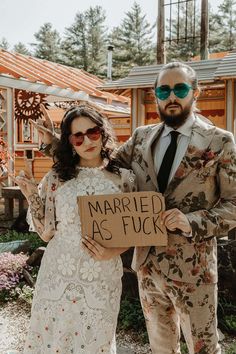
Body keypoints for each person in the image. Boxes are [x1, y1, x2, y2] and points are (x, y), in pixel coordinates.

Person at [33, 62, 236, 354]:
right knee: (161, 348)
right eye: (163, 90)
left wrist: (191, 220)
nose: (171, 96)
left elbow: (233, 205)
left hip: (194, 270)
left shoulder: (219, 141)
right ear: (155, 95)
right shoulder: (141, 137)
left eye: (180, 88)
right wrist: (57, 145)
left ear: (195, 92)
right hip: (148, 267)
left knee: (203, 349)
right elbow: (99, 161)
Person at [14, 104, 136, 354]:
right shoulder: (57, 178)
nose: (87, 141)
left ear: (103, 132)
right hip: (58, 276)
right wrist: (31, 195)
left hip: (101, 277)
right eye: (78, 136)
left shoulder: (125, 178)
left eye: (92, 132)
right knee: (53, 343)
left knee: (96, 343)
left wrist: (113, 252)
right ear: (69, 141)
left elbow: (134, 231)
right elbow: (46, 232)